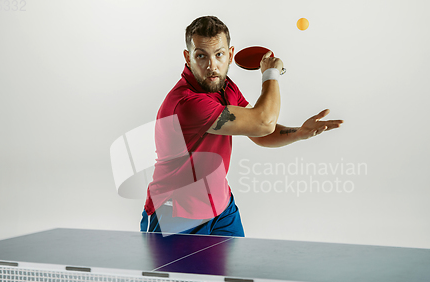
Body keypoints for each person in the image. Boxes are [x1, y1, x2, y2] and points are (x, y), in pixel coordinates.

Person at [141, 16, 343, 237]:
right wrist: (271, 74)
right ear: (187, 58)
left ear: (230, 54)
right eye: (201, 56)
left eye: (219, 54)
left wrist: (298, 133)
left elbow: (260, 133)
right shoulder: (188, 104)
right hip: (176, 216)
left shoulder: (226, 88)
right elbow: (263, 123)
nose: (212, 65)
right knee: (187, 274)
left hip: (221, 209)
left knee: (237, 272)